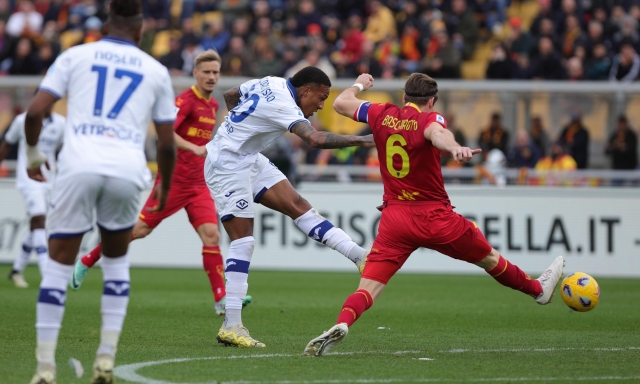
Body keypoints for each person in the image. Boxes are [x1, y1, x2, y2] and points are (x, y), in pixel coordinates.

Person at [303, 73, 565, 356]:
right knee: (490, 259)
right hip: (435, 218)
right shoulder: (430, 119)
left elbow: (341, 103)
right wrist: (456, 148)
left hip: (395, 220)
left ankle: (343, 322)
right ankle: (538, 291)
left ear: (403, 98)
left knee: (369, 285)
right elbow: (438, 135)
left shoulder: (381, 113)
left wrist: (359, 85)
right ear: (431, 101)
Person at [25, 1, 177, 383]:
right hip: (127, 171)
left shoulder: (75, 55)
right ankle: (105, 359)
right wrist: (165, 188)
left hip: (78, 166)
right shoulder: (156, 70)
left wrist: (32, 155)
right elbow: (167, 144)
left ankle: (45, 367)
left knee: (58, 268)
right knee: (115, 265)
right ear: (141, 31)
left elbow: (34, 112)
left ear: (106, 24)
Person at [206, 66, 375, 348]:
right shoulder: (285, 104)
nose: (321, 106)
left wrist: (236, 128)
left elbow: (231, 93)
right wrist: (365, 140)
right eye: (320, 98)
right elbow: (315, 139)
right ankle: (231, 325)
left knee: (298, 205)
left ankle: (361, 257)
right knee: (243, 239)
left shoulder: (273, 82)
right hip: (226, 163)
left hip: (245, 156)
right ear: (306, 90)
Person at [69, 50, 244, 316]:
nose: (211, 77)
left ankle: (221, 298)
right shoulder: (185, 101)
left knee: (212, 235)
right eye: (206, 72)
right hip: (172, 182)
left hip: (198, 185)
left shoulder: (212, 106)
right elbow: (166, 135)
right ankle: (87, 260)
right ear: (195, 74)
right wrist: (194, 148)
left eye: (215, 72)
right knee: (138, 231)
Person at [0, 105, 65, 288]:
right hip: (27, 179)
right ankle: (47, 273)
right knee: (39, 218)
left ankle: (16, 270)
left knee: (37, 224)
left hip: (50, 180)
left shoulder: (61, 123)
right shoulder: (22, 121)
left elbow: (66, 149)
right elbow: (6, 145)